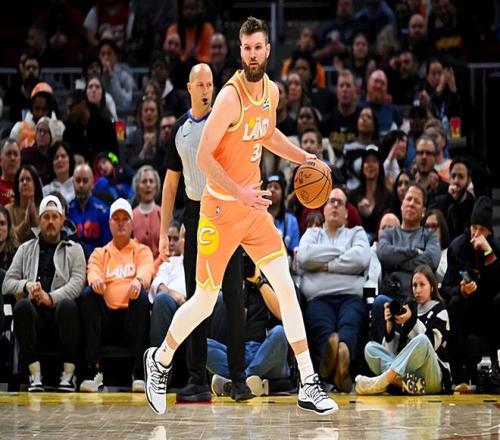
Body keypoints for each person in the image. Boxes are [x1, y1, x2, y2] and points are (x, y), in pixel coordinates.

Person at [144, 17, 338, 416]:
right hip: (219, 211)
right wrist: (240, 191)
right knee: (204, 301)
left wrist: (304, 157)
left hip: (252, 211)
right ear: (240, 51)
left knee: (285, 287)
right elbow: (203, 156)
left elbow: (267, 134)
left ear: (268, 50)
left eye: (258, 47)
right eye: (246, 48)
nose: (252, 54)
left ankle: (308, 382)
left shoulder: (272, 91)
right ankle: (160, 360)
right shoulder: (229, 98)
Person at [156, 63, 251, 403]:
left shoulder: (226, 122)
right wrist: (163, 230)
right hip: (195, 216)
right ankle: (196, 379)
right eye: (201, 84)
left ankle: (239, 379)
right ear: (189, 88)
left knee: (234, 296)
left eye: (211, 84)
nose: (207, 90)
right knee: (197, 298)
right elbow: (170, 184)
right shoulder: (179, 130)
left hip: (227, 213)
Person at [3, 195, 86, 391]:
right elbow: (7, 284)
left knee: (68, 305)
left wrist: (51, 298)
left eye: (55, 217)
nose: (50, 221)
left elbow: (77, 283)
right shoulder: (25, 249)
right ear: (39, 221)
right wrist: (26, 286)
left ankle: (69, 375)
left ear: (62, 220)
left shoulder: (75, 250)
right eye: (46, 217)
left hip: (61, 318)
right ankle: (34, 374)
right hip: (35, 319)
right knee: (22, 306)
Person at [297, 187, 371, 392]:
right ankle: (337, 364)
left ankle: (338, 358)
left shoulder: (356, 232)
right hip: (318, 297)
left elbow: (361, 258)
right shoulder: (313, 233)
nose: (335, 205)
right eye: (331, 201)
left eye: (340, 202)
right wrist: (344, 252)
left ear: (347, 212)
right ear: (324, 209)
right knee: (322, 324)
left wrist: (327, 266)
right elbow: (305, 257)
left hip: (350, 297)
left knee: (351, 322)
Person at [80, 198, 154, 392]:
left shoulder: (142, 250)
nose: (120, 223)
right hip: (106, 321)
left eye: (125, 219)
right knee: (88, 295)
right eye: (116, 219)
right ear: (110, 224)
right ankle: (93, 371)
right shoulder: (100, 252)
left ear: (132, 224)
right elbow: (92, 270)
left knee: (142, 298)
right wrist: (96, 280)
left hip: (131, 320)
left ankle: (139, 374)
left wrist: (138, 281)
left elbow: (147, 269)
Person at [355, 264, 451, 395]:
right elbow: (392, 353)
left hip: (433, 375)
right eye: (414, 285)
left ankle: (384, 381)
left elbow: (431, 345)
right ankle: (403, 382)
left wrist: (411, 320)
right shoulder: (408, 309)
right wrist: (390, 326)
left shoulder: (440, 310)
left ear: (432, 287)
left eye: (422, 285)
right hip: (410, 375)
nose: (417, 290)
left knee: (423, 340)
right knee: (370, 348)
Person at [442, 196, 500, 386]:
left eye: (482, 230)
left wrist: (489, 254)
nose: (476, 234)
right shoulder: (458, 247)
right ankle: (459, 373)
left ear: (490, 232)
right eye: (474, 227)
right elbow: (446, 287)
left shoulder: (496, 247)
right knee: (456, 302)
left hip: (490, 310)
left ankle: (496, 366)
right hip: (466, 310)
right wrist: (461, 291)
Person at [372, 183, 441, 342]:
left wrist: (397, 263)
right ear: (402, 204)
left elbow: (431, 261)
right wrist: (415, 252)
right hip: (392, 297)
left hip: (419, 300)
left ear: (423, 210)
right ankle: (382, 355)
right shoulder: (389, 233)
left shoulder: (429, 236)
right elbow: (384, 253)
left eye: (417, 201)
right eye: (408, 199)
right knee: (380, 302)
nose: (411, 203)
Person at [68, 164, 111, 260]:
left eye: (85, 181)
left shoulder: (103, 211)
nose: (81, 185)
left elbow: (108, 246)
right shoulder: (67, 211)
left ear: (92, 183)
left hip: (98, 261)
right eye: (78, 180)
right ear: (73, 183)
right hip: (72, 261)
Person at [6, 165, 44, 244]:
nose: (24, 182)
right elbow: (11, 239)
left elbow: (43, 236)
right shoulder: (8, 210)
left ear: (35, 184)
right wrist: (25, 222)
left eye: (28, 179)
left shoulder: (43, 209)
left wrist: (33, 217)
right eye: (21, 180)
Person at [132, 165, 162, 259]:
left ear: (156, 186)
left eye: (151, 181)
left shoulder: (163, 213)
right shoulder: (131, 216)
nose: (148, 185)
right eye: (144, 181)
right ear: (137, 186)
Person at [0, 139, 21, 206]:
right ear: (0, 160)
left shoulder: (28, 185)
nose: (12, 158)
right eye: (8, 154)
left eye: (15, 154)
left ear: (20, 160)